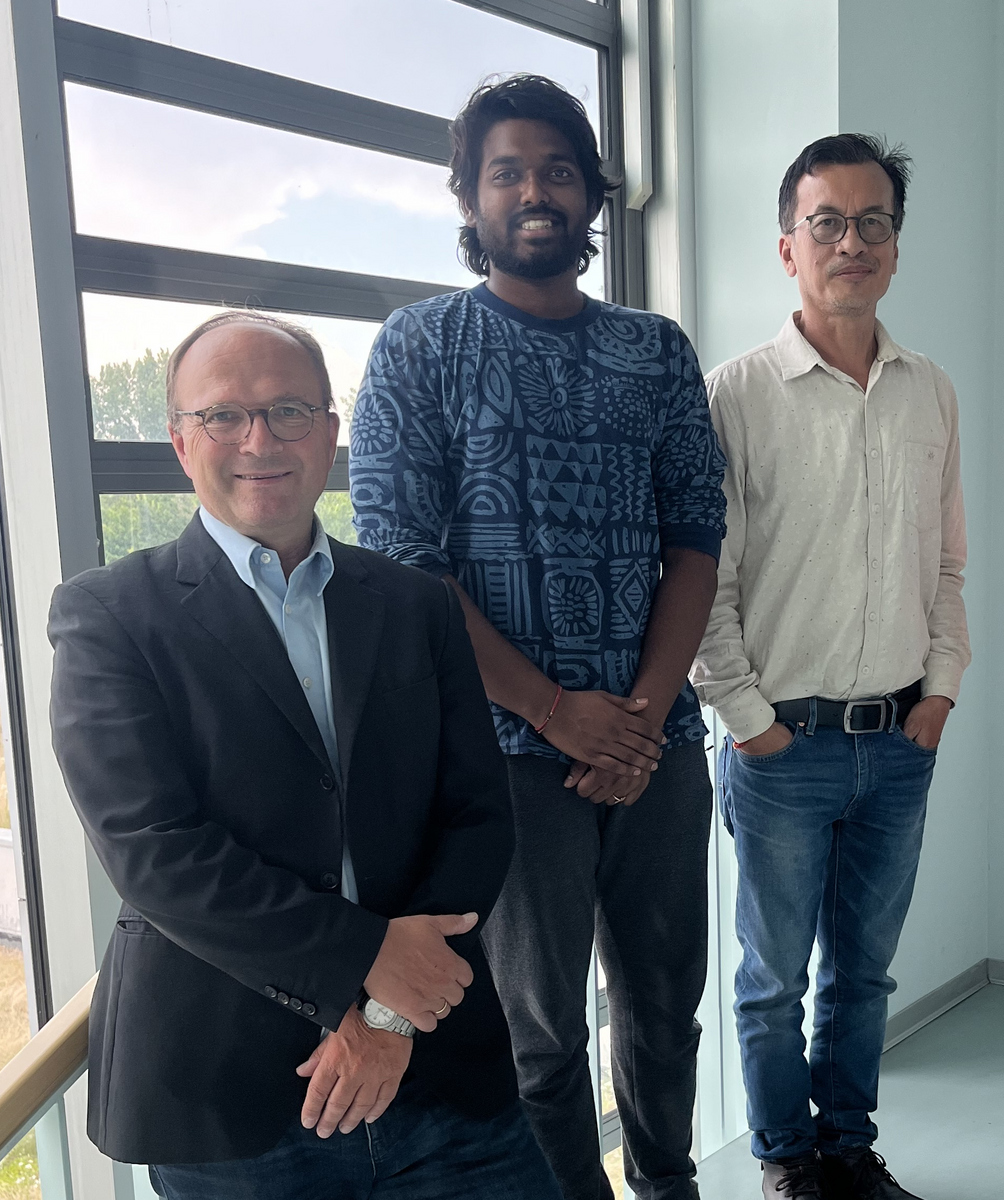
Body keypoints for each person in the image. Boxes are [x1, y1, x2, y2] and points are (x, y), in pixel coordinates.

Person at [48, 312, 562, 1199]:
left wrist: (391, 1015)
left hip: (440, 1074)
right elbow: (155, 849)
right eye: (224, 416)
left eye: (289, 410)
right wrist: (362, 971)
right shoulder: (108, 616)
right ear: (180, 442)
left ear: (330, 434)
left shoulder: (415, 606)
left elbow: (479, 814)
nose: (260, 439)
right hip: (232, 1097)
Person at [349, 75, 727, 1200]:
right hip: (503, 763)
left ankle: (669, 1184)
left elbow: (696, 538)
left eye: (558, 170)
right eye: (507, 171)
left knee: (665, 1011)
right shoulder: (419, 348)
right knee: (540, 1034)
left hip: (654, 752)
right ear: (469, 198)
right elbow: (405, 566)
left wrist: (641, 720)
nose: (534, 190)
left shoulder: (655, 351)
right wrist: (557, 712)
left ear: (589, 195)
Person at [691, 134, 969, 1200]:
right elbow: (706, 580)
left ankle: (849, 1147)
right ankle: (784, 1159)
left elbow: (946, 561)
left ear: (895, 248)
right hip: (780, 747)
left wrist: (940, 687)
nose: (851, 242)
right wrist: (748, 718)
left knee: (864, 973)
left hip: (899, 739)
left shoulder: (929, 391)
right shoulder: (738, 395)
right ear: (787, 246)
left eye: (874, 224)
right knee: (770, 981)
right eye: (828, 223)